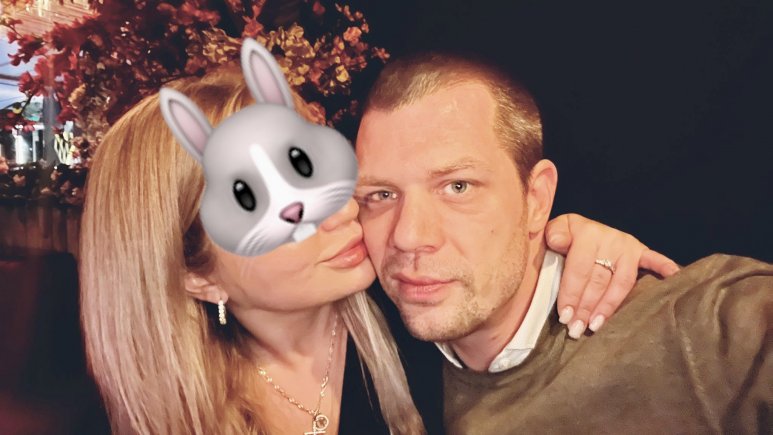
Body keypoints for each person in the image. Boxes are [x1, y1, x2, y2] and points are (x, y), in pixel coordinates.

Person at [80, 66, 674, 435]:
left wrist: (563, 243)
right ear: (196, 275)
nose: (343, 210)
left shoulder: (423, 314)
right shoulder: (164, 414)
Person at [354, 51, 772, 433]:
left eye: (457, 186)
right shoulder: (382, 370)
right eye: (381, 195)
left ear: (536, 199)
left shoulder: (703, 328)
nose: (408, 236)